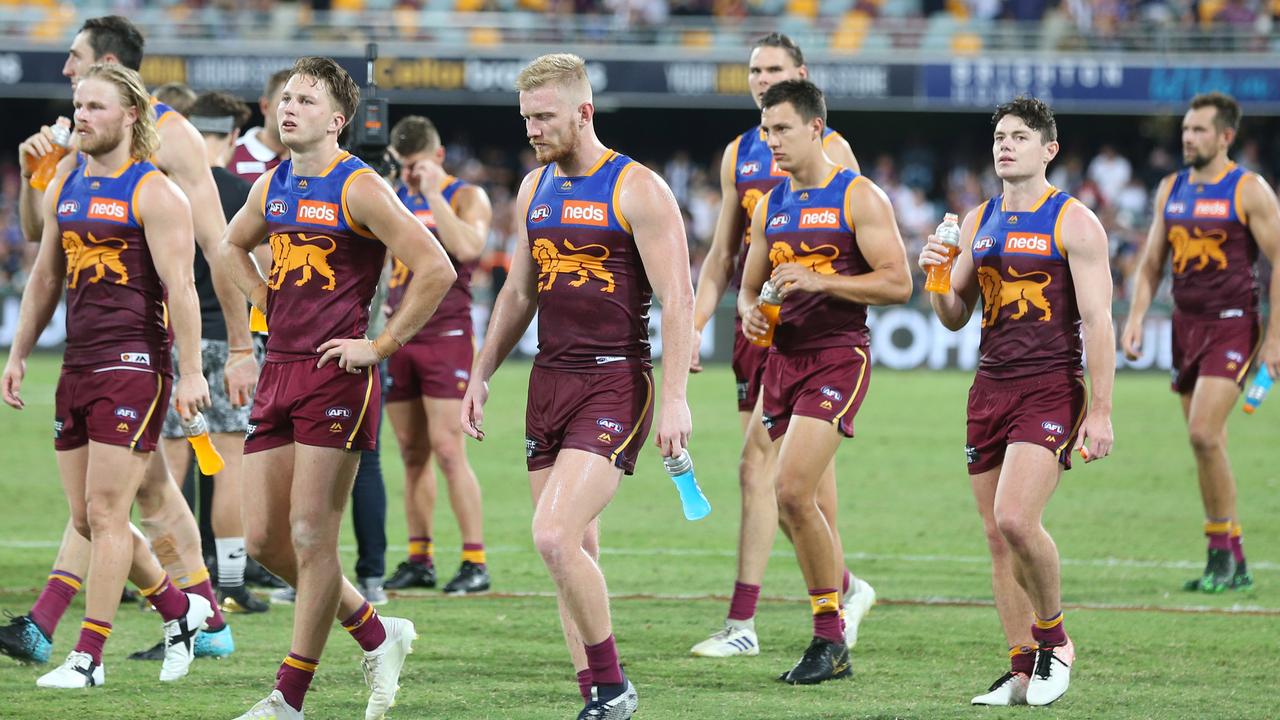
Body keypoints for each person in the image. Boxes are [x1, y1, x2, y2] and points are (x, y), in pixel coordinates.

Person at [0, 14, 247, 666]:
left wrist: (235, 345)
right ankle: (205, 615)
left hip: (172, 326)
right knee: (151, 491)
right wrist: (37, 175)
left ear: (107, 63)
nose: (65, 76)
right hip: (101, 334)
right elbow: (43, 242)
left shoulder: (172, 138)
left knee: (110, 500)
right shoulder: (78, 143)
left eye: (76, 62)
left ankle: (58, 629)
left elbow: (213, 245)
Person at [220, 56, 454, 720]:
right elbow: (229, 247)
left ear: (338, 119)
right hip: (279, 370)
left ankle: (287, 699)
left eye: (305, 99)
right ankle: (379, 632)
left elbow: (435, 268)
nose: (288, 107)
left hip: (339, 376)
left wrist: (379, 347)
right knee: (266, 542)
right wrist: (266, 305)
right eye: (285, 96)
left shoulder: (361, 186)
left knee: (310, 536)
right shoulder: (273, 183)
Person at [461, 53, 693, 720]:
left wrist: (675, 396)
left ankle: (614, 684)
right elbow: (518, 292)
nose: (532, 129)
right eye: (526, 117)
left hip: (615, 382)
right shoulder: (534, 189)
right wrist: (480, 373)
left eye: (545, 117)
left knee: (553, 536)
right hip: (548, 382)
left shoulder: (639, 188)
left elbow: (678, 300)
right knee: (575, 550)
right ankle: (596, 696)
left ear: (584, 112)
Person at [918, 96, 1114, 707]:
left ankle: (1055, 641)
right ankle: (1022, 668)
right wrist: (934, 272)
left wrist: (1101, 411)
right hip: (989, 386)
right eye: (1000, 135)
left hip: (1050, 384)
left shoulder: (1074, 220)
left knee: (1015, 518)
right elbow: (954, 316)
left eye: (1020, 136)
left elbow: (1098, 321)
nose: (1005, 145)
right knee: (996, 536)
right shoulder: (978, 220)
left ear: (1048, 149)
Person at [689, 33, 874, 659]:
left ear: (799, 74)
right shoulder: (739, 154)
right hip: (762, 328)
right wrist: (697, 324)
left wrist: (821, 288)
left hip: (819, 334)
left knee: (776, 478)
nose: (761, 78)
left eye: (773, 69)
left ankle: (746, 620)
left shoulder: (833, 152)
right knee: (789, 484)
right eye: (753, 69)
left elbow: (854, 244)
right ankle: (842, 591)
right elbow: (722, 256)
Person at [736, 80, 910, 685]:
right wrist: (751, 310)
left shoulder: (859, 197)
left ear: (815, 128)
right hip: (782, 362)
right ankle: (842, 603)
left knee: (787, 490)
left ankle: (830, 638)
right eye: (765, 130)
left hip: (838, 357)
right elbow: (750, 287)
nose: (770, 141)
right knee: (790, 505)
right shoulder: (769, 206)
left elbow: (897, 284)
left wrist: (822, 281)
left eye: (781, 128)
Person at [1122, 92, 1280, 593]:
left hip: (1234, 325)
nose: (1188, 137)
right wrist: (1137, 317)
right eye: (1186, 129)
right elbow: (1150, 265)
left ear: (1225, 137)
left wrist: (1274, 340)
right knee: (1209, 444)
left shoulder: (1248, 190)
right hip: (1184, 328)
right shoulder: (1171, 188)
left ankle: (1220, 556)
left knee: (1202, 434)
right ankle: (1234, 556)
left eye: (1199, 131)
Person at [154, 89, 268, 615]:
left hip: (169, 334)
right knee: (228, 463)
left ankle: (162, 580)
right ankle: (229, 580)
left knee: (166, 466)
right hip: (225, 335)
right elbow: (262, 274)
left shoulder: (158, 186)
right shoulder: (241, 192)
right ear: (225, 136)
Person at [382, 115, 493, 596]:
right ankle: (419, 556)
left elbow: (469, 247)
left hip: (446, 335)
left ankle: (474, 560)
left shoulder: (465, 196)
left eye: (417, 165)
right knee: (411, 454)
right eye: (403, 166)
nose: (409, 174)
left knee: (449, 450)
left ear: (438, 157)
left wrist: (430, 194)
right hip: (397, 334)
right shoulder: (387, 193)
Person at [229, 68, 290, 184]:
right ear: (265, 106)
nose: (293, 111)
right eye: (285, 102)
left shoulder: (316, 161)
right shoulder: (230, 155)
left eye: (303, 103)